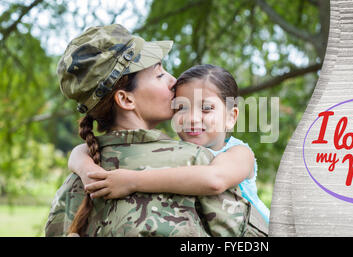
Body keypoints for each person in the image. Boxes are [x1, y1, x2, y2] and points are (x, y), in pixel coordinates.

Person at [44, 24, 268, 237]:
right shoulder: (195, 161)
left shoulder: (78, 180)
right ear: (125, 99)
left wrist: (84, 168)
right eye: (160, 74)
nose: (174, 81)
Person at [68, 64, 271, 223]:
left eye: (206, 108)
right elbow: (81, 149)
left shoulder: (239, 152)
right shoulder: (177, 150)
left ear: (230, 117)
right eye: (181, 107)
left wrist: (132, 181)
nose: (192, 118)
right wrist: (85, 169)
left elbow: (214, 179)